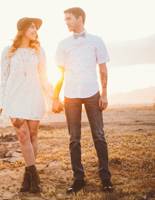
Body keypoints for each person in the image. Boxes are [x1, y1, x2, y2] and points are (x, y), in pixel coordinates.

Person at [52, 7, 113, 193]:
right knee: (74, 139)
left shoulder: (97, 41)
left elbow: (103, 69)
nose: (66, 22)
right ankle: (78, 179)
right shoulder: (63, 44)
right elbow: (60, 75)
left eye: (69, 19)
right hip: (70, 96)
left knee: (99, 136)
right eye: (65, 20)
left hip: (92, 93)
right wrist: (55, 97)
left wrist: (104, 93)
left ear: (80, 18)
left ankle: (105, 178)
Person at [0, 17, 54, 193]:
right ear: (23, 29)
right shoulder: (8, 51)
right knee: (23, 135)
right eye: (32, 27)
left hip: (34, 96)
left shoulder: (39, 51)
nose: (35, 30)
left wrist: (54, 98)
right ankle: (35, 176)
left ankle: (27, 176)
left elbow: (44, 77)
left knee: (33, 136)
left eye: (36, 28)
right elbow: (4, 78)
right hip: (14, 99)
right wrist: (2, 102)